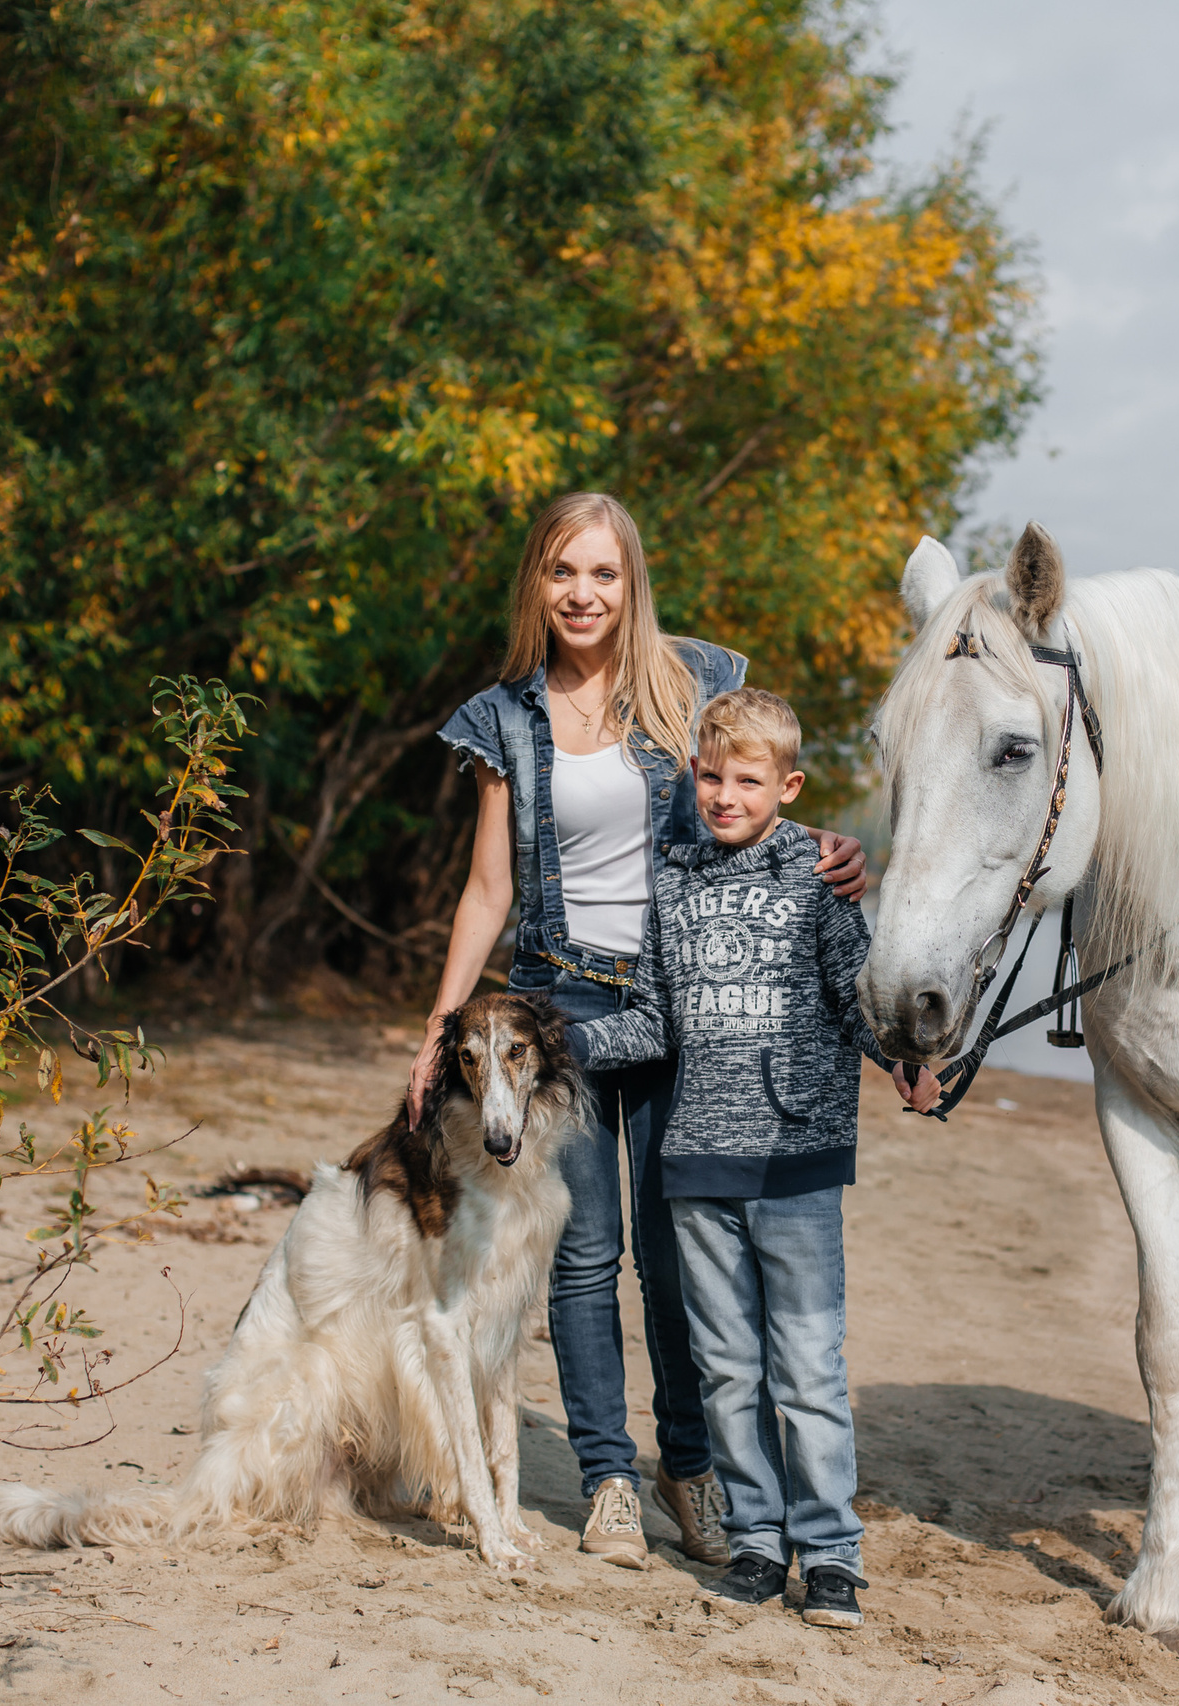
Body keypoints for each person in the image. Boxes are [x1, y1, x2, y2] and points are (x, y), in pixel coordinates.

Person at [424, 493, 868, 1570]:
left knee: (674, 1257)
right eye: (563, 572)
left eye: (604, 574)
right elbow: (488, 886)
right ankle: (608, 1478)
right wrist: (436, 1026)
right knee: (582, 1257)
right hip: (556, 1008)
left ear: (633, 583)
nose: (583, 594)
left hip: (684, 1001)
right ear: (538, 581)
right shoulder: (505, 717)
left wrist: (830, 848)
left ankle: (690, 1467)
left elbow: (745, 794)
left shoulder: (694, 682)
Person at [566, 687, 938, 1629]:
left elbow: (853, 997)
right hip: (696, 1165)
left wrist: (904, 1057)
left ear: (788, 784)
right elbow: (652, 1019)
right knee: (729, 1369)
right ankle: (759, 1545)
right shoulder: (671, 876)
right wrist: (560, 1047)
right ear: (691, 776)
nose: (724, 794)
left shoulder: (820, 875)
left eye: (746, 780)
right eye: (710, 775)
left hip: (797, 1165)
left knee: (808, 1368)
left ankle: (833, 1553)